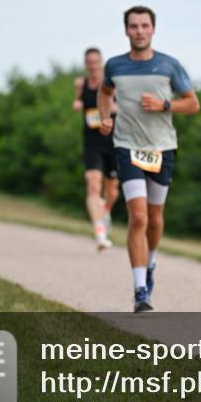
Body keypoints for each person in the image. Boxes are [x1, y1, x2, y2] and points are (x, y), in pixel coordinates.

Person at [99, 5, 199, 312]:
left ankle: (150, 263)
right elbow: (105, 93)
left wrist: (164, 105)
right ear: (126, 30)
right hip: (126, 146)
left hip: (162, 148)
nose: (139, 31)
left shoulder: (169, 65)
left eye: (144, 26)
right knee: (138, 216)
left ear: (153, 30)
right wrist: (105, 117)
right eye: (133, 26)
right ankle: (141, 290)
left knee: (155, 218)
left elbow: (193, 104)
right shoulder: (115, 65)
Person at [73, 47, 120, 250]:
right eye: (89, 62)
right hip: (91, 141)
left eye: (96, 62)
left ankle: (106, 210)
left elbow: (123, 107)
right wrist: (77, 103)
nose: (92, 66)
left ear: (101, 62)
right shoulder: (81, 83)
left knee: (112, 189)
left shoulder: (111, 84)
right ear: (85, 64)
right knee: (93, 184)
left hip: (113, 140)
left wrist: (107, 109)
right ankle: (99, 232)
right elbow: (79, 100)